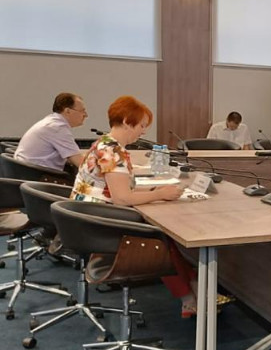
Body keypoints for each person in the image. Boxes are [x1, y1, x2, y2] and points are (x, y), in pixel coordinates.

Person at [71, 96, 206, 317]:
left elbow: (118, 190)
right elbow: (122, 199)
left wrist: (153, 192)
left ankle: (194, 286)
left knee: (162, 234)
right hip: (97, 222)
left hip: (86, 215)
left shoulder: (104, 144)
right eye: (142, 125)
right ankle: (190, 294)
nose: (143, 132)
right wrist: (160, 194)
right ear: (127, 121)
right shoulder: (113, 152)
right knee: (159, 238)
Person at [15, 92, 88, 171]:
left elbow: (73, 154)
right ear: (67, 111)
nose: (86, 115)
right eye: (82, 111)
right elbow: (80, 163)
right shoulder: (57, 128)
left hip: (27, 171)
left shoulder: (52, 123)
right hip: (37, 174)